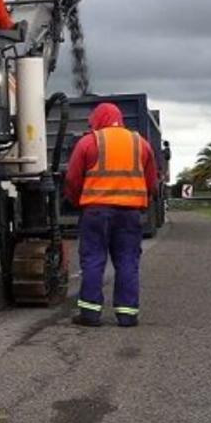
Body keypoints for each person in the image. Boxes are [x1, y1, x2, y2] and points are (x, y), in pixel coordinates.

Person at [64, 103, 158, 327]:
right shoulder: (141, 144)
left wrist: (78, 202)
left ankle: (90, 314)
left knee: (94, 260)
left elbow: (72, 179)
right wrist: (142, 203)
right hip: (129, 214)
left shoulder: (89, 142)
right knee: (127, 260)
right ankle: (127, 315)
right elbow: (151, 182)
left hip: (95, 212)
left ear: (97, 120)